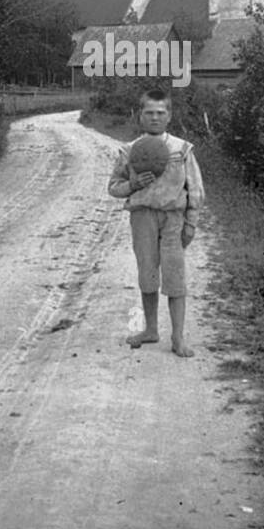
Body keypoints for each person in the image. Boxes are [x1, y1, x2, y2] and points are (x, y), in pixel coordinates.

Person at [107, 88, 205, 358]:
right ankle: (151, 329)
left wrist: (191, 223)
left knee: (175, 276)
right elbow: (113, 187)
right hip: (142, 218)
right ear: (140, 116)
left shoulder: (182, 149)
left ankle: (178, 337)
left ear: (169, 116)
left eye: (160, 113)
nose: (154, 118)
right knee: (147, 273)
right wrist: (132, 184)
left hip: (174, 218)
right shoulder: (129, 151)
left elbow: (195, 189)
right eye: (148, 112)